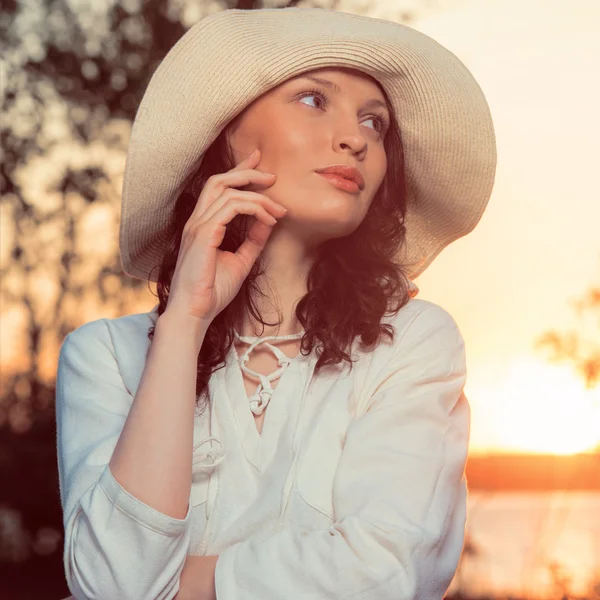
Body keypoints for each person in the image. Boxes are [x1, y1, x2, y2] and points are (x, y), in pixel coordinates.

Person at [55, 6, 496, 600]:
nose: (355, 138)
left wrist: (179, 587)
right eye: (315, 100)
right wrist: (185, 321)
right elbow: (109, 583)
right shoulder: (104, 357)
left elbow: (383, 572)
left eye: (375, 122)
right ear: (229, 131)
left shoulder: (414, 341)